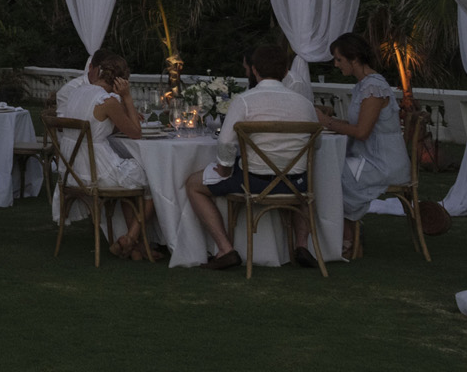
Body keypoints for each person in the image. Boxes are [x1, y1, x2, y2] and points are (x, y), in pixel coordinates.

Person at [182, 44, 319, 270]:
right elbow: (317, 145)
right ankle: (302, 245)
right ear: (286, 71)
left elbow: (225, 142)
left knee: (193, 184)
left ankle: (226, 250)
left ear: (254, 71)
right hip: (297, 184)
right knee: (301, 184)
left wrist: (225, 168)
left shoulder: (244, 101)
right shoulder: (304, 104)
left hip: (254, 181)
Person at [52, 53, 157, 260]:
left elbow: (108, 125)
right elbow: (136, 133)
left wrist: (125, 114)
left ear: (99, 72)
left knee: (130, 182)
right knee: (152, 183)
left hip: (72, 171)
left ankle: (134, 247)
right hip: (95, 171)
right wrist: (127, 98)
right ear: (121, 81)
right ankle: (131, 239)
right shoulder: (108, 100)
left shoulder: (77, 93)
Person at [319, 31, 411, 259]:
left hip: (384, 163)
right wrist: (329, 120)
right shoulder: (363, 86)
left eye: (339, 59)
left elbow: (361, 132)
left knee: (333, 174)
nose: (336, 64)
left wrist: (327, 122)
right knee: (329, 168)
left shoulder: (373, 88)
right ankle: (347, 235)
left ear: (354, 59)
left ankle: (349, 239)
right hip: (369, 157)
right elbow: (356, 125)